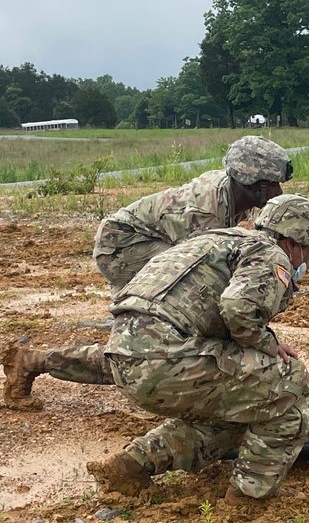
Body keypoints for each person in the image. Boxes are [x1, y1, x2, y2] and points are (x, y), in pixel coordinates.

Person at [2, 135, 292, 409]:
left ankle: (34, 361)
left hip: (153, 243)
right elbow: (193, 268)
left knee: (158, 339)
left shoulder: (230, 196)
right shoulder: (202, 213)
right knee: (153, 343)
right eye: (271, 185)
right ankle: (33, 361)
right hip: (124, 248)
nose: (278, 192)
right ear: (248, 182)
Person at [86, 194, 309, 503]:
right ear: (296, 242)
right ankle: (249, 496)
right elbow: (238, 308)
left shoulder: (218, 239)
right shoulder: (272, 254)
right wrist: (266, 343)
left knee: (239, 407)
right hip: (165, 359)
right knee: (289, 382)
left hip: (125, 357)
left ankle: (134, 464)